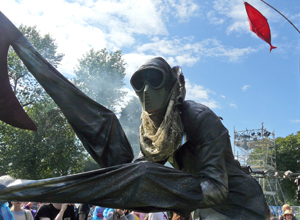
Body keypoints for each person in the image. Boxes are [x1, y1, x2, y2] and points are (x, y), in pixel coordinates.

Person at [0, 15, 270, 220]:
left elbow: (215, 189)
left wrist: (156, 187)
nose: (146, 91)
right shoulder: (154, 128)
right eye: (139, 84)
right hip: (206, 211)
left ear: (171, 85)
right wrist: (125, 175)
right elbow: (130, 171)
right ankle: (18, 41)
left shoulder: (199, 117)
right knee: (121, 154)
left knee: (142, 175)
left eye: (155, 81)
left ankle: (20, 188)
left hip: (240, 208)